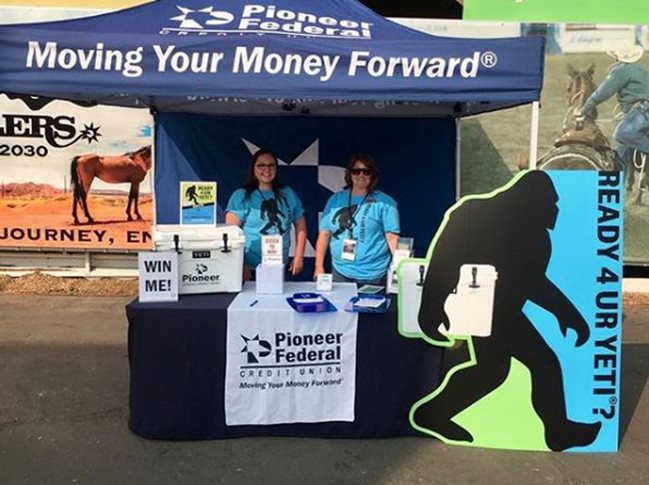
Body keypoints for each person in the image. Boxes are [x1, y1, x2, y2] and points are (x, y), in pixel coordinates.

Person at [413, 171, 601, 451]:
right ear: (532, 201)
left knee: (502, 369)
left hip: (506, 311)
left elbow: (533, 282)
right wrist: (431, 308)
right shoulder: (476, 214)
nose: (555, 210)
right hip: (480, 307)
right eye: (551, 203)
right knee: (533, 364)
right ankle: (558, 431)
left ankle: (432, 413)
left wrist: (567, 314)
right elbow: (444, 261)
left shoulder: (535, 236)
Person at [314, 153, 399, 286]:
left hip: (372, 274)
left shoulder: (385, 202)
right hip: (340, 271)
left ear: (373, 175)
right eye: (356, 171)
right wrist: (318, 266)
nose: (361, 175)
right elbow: (324, 234)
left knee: (368, 307)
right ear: (350, 174)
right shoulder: (335, 200)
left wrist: (399, 268)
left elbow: (392, 237)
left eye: (366, 171)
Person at [225, 149, 307, 280]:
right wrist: (240, 264)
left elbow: (301, 225)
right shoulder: (241, 196)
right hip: (250, 269)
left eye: (271, 165)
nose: (267, 170)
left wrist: (298, 257)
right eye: (261, 165)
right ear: (253, 168)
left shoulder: (287, 193)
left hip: (279, 266)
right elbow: (231, 233)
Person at [576, 44, 649, 167]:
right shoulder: (640, 69)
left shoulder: (620, 71)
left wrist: (583, 111)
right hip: (640, 110)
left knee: (622, 134)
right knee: (621, 154)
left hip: (642, 111)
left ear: (617, 57)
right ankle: (626, 183)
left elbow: (601, 94)